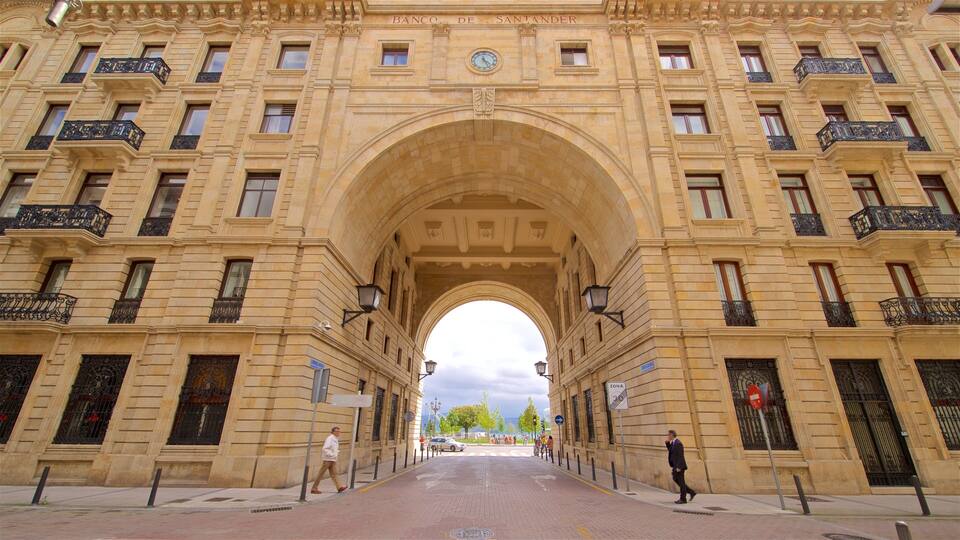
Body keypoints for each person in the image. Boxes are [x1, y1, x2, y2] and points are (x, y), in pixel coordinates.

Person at [311, 426, 347, 494]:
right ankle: (314, 488)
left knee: (334, 474)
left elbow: (334, 449)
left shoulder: (335, 439)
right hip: (327, 459)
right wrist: (332, 454)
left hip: (332, 459)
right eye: (337, 431)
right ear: (333, 432)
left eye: (339, 431)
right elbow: (325, 448)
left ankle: (339, 487)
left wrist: (335, 454)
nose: (338, 433)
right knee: (321, 474)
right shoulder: (330, 438)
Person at [665, 429, 696, 504]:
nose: (668, 436)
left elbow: (680, 456)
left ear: (672, 435)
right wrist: (667, 444)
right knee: (675, 479)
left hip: (679, 466)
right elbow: (671, 451)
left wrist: (679, 467)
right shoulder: (673, 443)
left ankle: (683, 499)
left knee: (681, 483)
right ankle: (691, 492)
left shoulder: (678, 443)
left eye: (668, 435)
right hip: (675, 465)